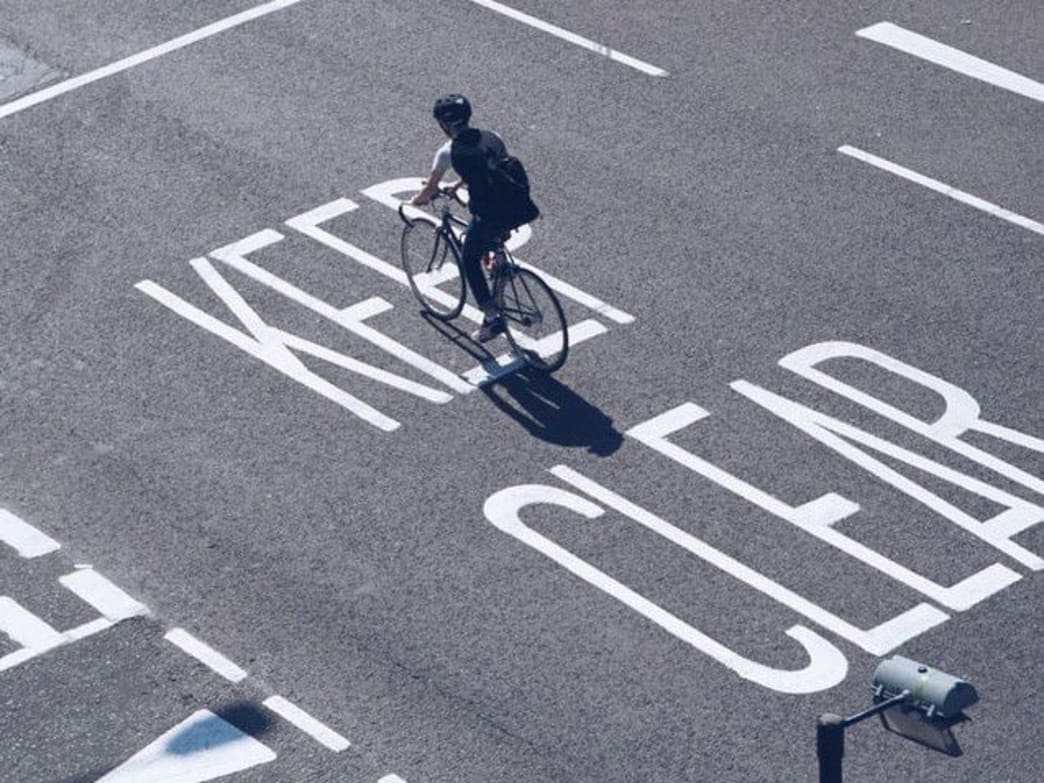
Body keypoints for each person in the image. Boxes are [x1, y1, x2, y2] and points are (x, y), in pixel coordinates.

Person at [410, 94, 514, 342]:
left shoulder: (448, 152)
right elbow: (493, 167)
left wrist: (416, 200)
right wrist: (459, 183)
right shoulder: (492, 136)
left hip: (488, 212)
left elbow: (429, 189)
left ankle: (491, 318)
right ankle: (501, 266)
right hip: (513, 205)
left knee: (469, 259)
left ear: (444, 124)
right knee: (489, 238)